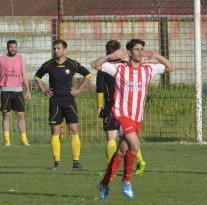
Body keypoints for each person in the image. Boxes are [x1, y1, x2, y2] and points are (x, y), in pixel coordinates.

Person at [91, 38, 175, 200]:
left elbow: (172, 67)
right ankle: (126, 181)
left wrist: (156, 55)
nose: (140, 52)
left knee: (122, 151)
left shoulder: (149, 68)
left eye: (142, 49)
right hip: (122, 115)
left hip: (137, 117)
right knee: (135, 145)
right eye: (137, 49)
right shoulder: (119, 68)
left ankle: (104, 183)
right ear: (129, 52)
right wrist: (111, 56)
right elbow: (94, 64)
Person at [34, 39, 92, 170]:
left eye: (58, 48)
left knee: (73, 130)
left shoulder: (72, 63)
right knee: (55, 130)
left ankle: (76, 161)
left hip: (69, 101)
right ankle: (57, 162)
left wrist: (78, 89)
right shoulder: (48, 65)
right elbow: (37, 77)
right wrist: (44, 90)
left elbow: (88, 75)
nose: (56, 51)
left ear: (65, 50)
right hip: (55, 101)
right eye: (54, 48)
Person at [94, 40, 147, 175]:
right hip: (129, 106)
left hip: (113, 105)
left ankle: (110, 167)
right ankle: (140, 161)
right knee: (130, 137)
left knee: (111, 138)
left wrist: (99, 106)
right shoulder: (127, 66)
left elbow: (100, 89)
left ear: (108, 52)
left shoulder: (105, 68)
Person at [0, 40, 32, 146]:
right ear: (7, 48)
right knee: (6, 116)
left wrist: (28, 90)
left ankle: (24, 140)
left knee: (21, 116)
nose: (13, 49)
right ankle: (7, 141)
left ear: (17, 47)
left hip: (18, 91)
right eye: (11, 47)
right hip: (5, 91)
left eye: (15, 47)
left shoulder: (20, 58)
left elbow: (24, 75)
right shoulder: (0, 59)